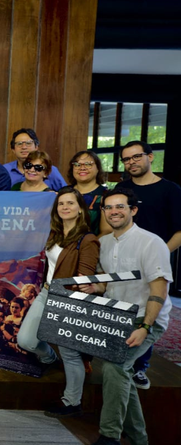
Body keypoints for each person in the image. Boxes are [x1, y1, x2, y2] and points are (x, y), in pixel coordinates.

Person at [79, 188, 173, 445]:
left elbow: (159, 290)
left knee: (115, 367)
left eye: (120, 206)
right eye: (108, 207)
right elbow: (107, 283)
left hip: (145, 318)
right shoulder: (105, 242)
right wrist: (94, 287)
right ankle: (139, 438)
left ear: (133, 210)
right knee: (120, 373)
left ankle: (109, 436)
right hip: (117, 318)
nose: (114, 212)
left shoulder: (151, 242)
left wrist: (145, 327)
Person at [17, 186, 100, 418]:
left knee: (70, 354)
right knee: (26, 340)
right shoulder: (54, 233)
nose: (65, 207)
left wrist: (70, 304)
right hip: (46, 293)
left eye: (70, 203)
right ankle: (49, 359)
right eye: (61, 203)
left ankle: (72, 402)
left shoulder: (88, 239)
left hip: (68, 299)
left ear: (80, 209)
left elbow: (85, 278)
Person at [116, 140, 181, 391]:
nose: (131, 162)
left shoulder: (170, 190)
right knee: (125, 310)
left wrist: (158, 254)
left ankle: (140, 367)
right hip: (123, 260)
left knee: (150, 311)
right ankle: (122, 357)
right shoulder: (121, 189)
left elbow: (179, 231)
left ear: (150, 157)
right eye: (126, 159)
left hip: (155, 263)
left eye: (136, 157)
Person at [67, 150, 110, 235]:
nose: (82, 168)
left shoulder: (106, 195)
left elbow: (107, 231)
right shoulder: (62, 193)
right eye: (77, 164)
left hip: (95, 242)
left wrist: (90, 243)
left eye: (88, 164)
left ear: (98, 169)